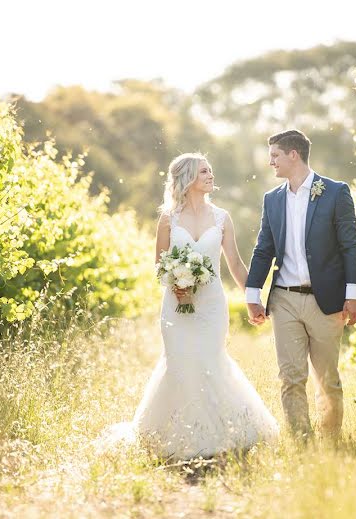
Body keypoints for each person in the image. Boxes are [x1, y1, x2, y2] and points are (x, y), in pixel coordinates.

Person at [119, 152, 279, 461]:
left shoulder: (222, 218)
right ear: (188, 177)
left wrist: (253, 298)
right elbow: (158, 264)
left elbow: (234, 262)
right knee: (179, 364)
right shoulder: (168, 218)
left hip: (210, 306)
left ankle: (220, 436)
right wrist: (177, 285)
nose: (210, 176)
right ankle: (175, 437)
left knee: (209, 361)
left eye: (211, 170)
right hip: (175, 306)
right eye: (204, 171)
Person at [245, 129, 356, 440]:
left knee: (327, 379)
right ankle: (301, 442)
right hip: (283, 299)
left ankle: (331, 441)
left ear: (293, 155)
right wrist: (252, 293)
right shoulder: (272, 199)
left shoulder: (336, 193)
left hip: (326, 300)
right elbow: (263, 248)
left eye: (275, 156)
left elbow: (351, 245)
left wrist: (354, 294)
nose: (270, 162)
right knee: (291, 377)